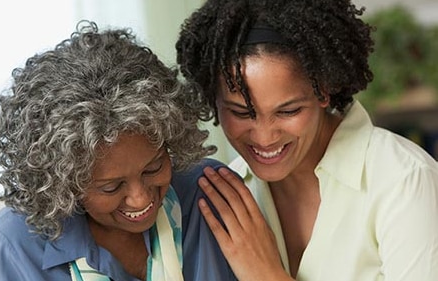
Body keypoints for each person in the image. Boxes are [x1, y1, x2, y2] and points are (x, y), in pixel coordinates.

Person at [176, 0, 438, 280]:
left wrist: (268, 275)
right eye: (240, 112)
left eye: (288, 111)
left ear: (324, 90)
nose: (265, 136)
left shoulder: (404, 181)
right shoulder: (230, 192)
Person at [0, 20, 235, 281]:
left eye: (153, 168)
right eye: (111, 187)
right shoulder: (14, 245)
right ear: (64, 183)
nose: (140, 198)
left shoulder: (210, 195)